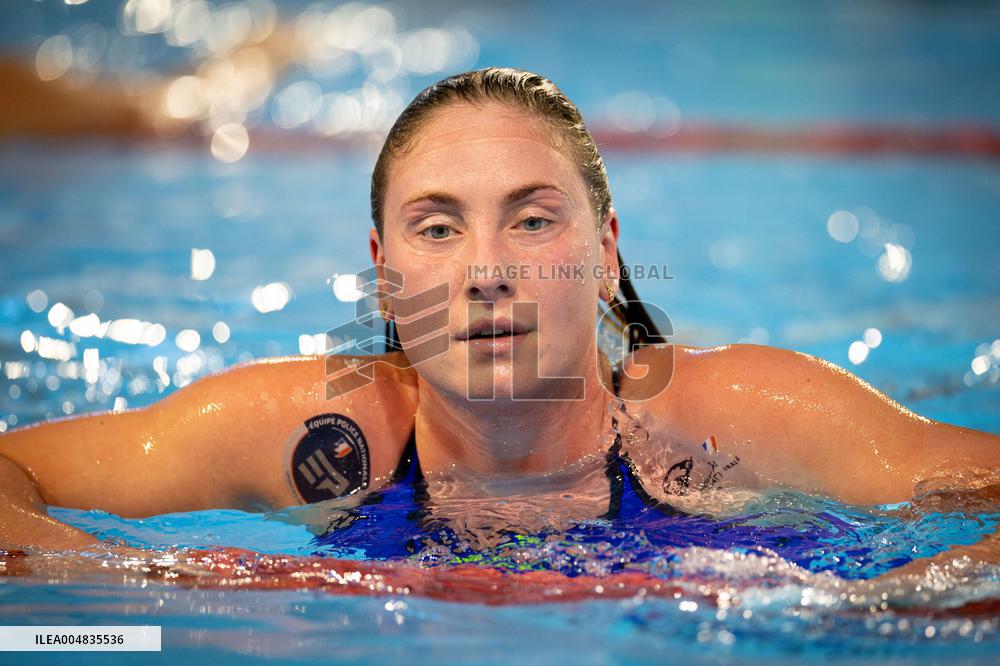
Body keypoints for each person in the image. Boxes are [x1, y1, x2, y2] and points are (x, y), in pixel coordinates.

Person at [1, 68, 997, 573]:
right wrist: (163, 579)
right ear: (385, 277)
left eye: (530, 219)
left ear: (603, 254)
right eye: (438, 229)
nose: (483, 273)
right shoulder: (319, 434)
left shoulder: (733, 420)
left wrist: (889, 599)